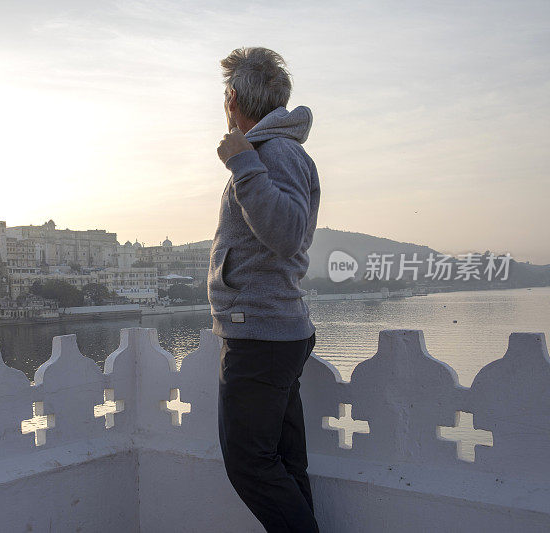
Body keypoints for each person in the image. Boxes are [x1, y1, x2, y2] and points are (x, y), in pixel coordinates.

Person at [208, 46, 321, 532]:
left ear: (232, 98)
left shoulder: (275, 153)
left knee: (249, 463)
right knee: (283, 463)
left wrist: (243, 164)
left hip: (261, 334)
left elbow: (286, 232)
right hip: (270, 329)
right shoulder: (276, 151)